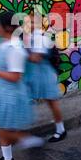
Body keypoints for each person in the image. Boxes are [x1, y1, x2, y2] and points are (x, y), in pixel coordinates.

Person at [0, 11, 44, 160]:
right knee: (2, 127)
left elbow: (15, 76)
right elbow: (6, 60)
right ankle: (7, 158)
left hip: (10, 94)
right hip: (2, 92)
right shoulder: (6, 42)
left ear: (7, 27)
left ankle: (27, 140)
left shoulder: (15, 48)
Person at [23, 13, 67, 142]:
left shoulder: (39, 38)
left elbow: (36, 58)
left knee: (52, 103)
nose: (29, 24)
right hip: (35, 75)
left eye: (32, 22)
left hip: (44, 75)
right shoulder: (29, 37)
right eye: (27, 22)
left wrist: (20, 53)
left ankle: (61, 130)